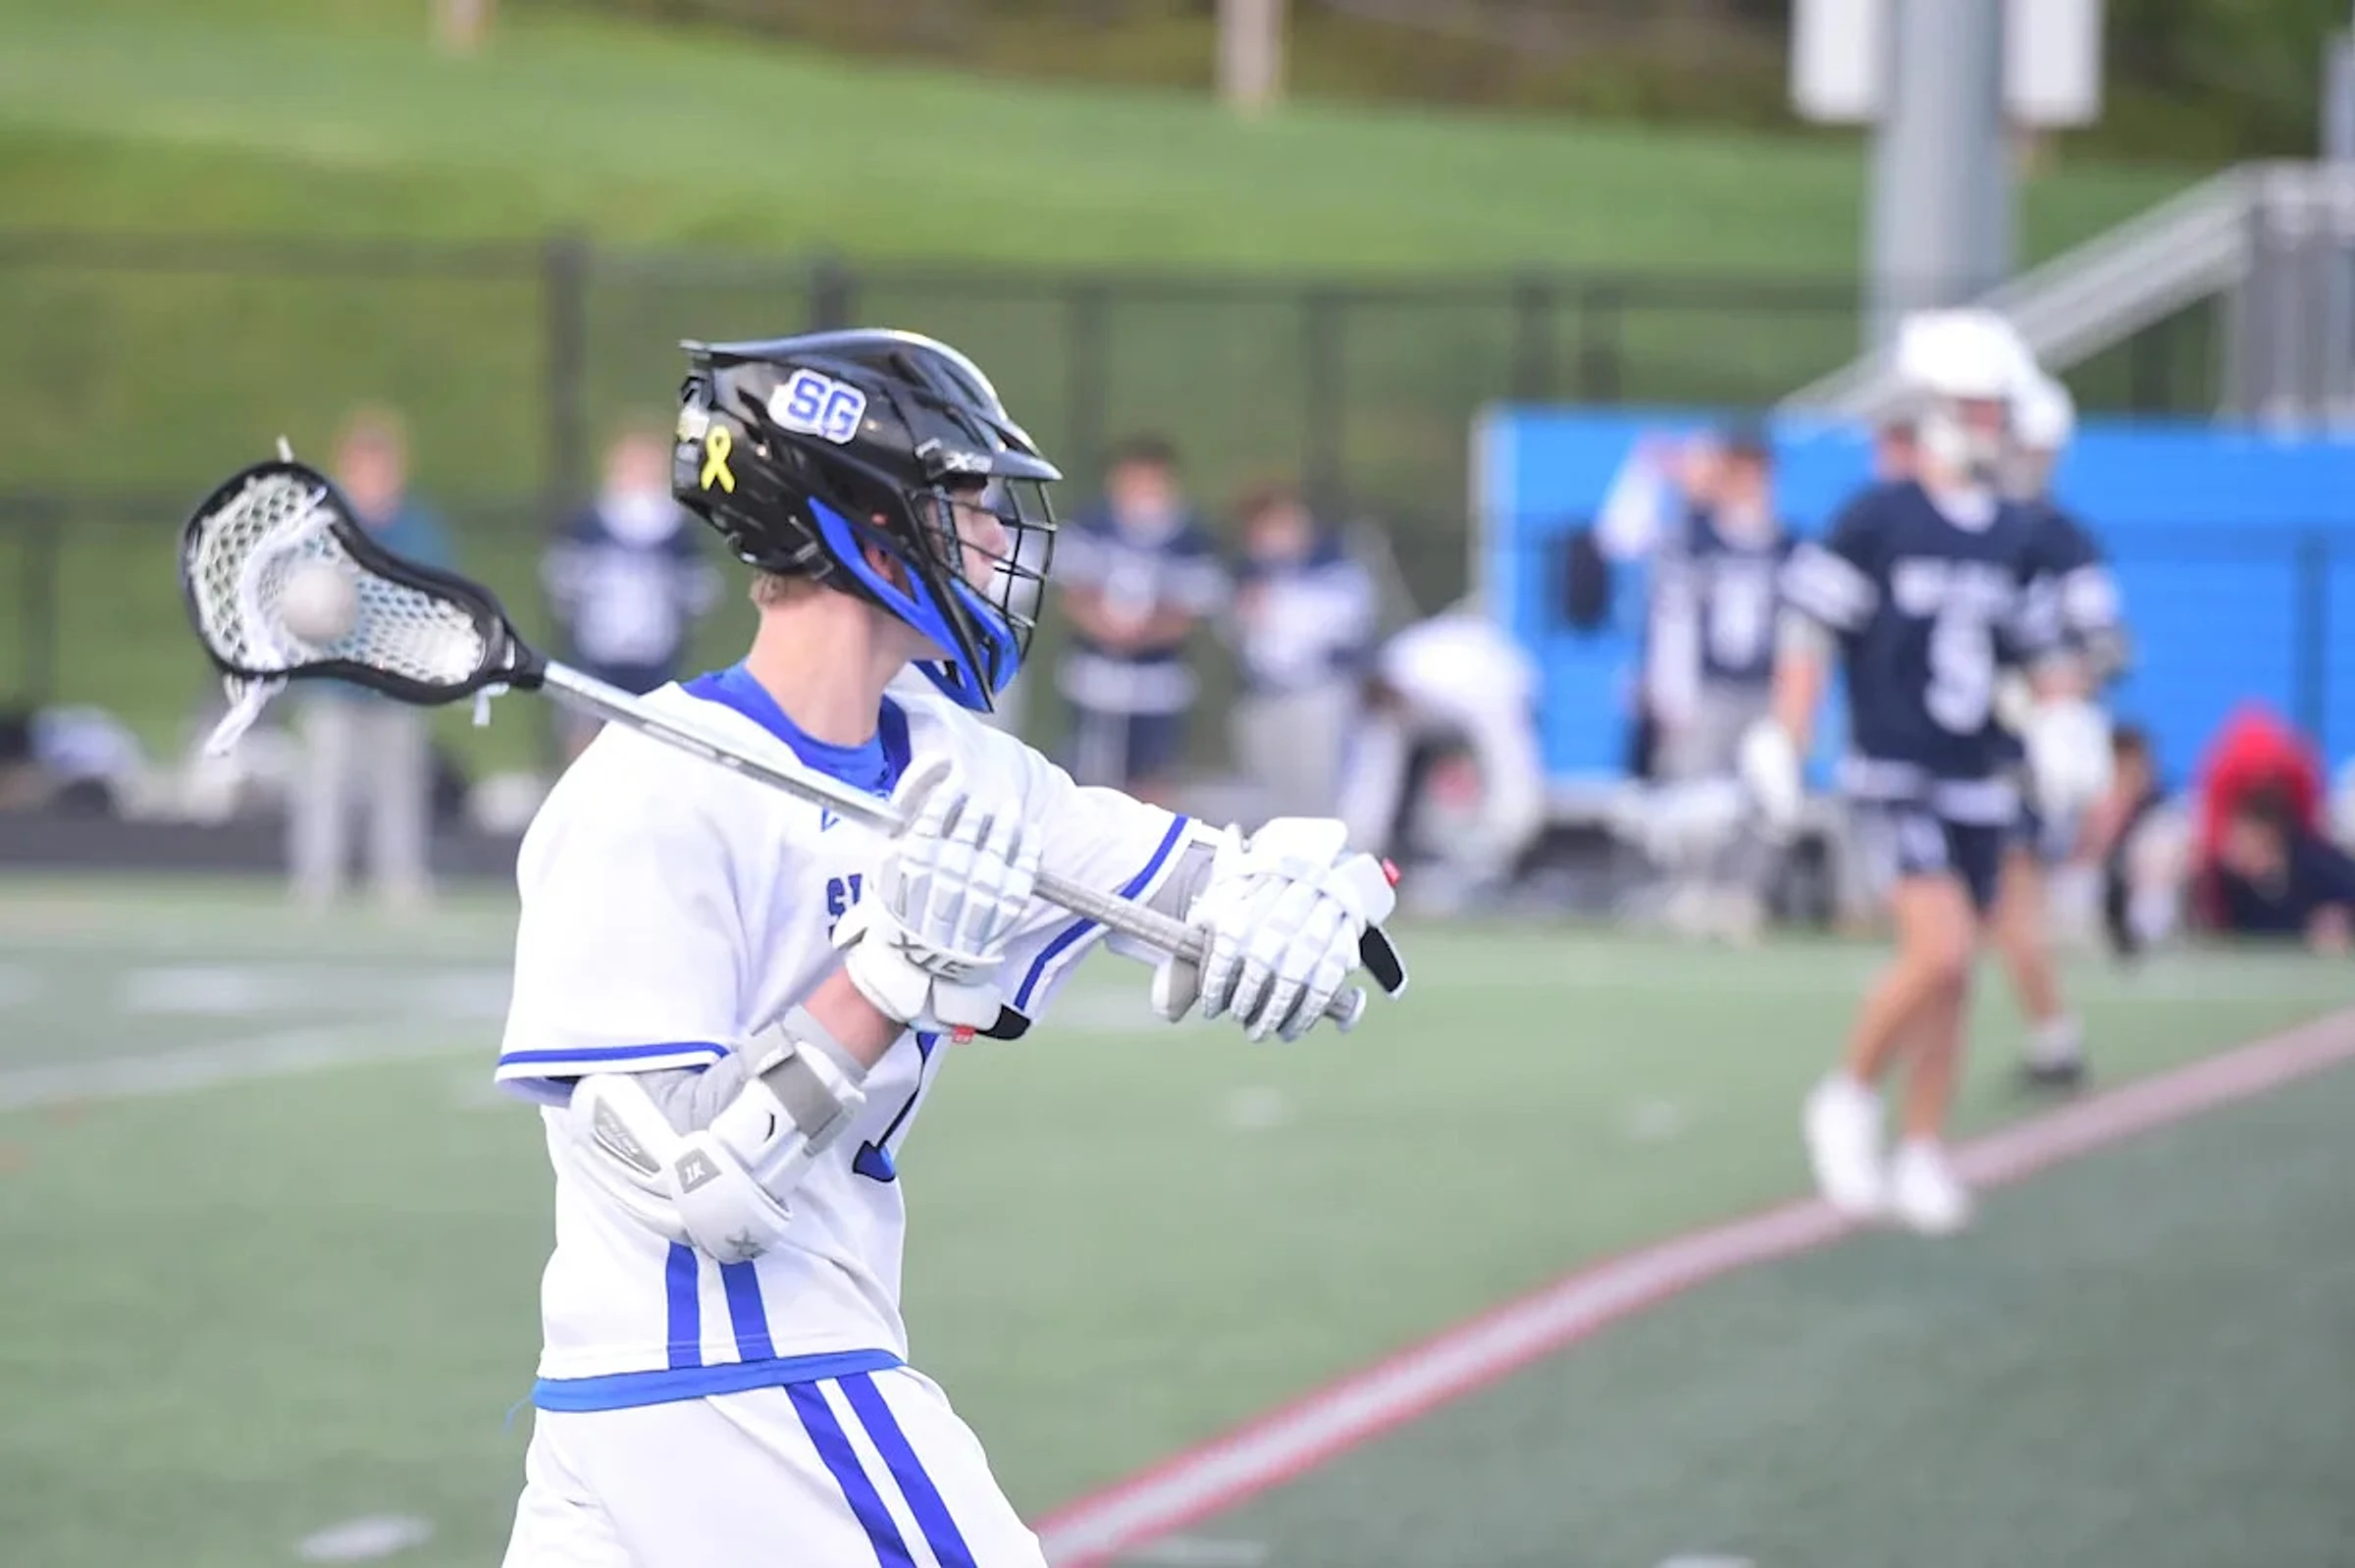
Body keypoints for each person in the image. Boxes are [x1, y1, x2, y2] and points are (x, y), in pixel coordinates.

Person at [493, 330, 1402, 1568]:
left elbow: (1179, 876)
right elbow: (689, 1182)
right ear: (866, 522)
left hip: (684, 1394)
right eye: (962, 498)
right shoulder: (650, 790)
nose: (990, 534)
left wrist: (1293, 891)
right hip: (733, 1370)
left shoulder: (953, 764)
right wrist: (882, 976)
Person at [1743, 309, 2108, 1235]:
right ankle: (1847, 1093)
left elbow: (2044, 654)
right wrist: (1786, 734)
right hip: (1895, 768)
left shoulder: (2016, 532)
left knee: (1957, 976)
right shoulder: (1881, 517)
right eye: (1976, 408)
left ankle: (1921, 1148)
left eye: (1995, 409)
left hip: (1979, 776)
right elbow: (1810, 631)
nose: (1991, 426)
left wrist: (2065, 719)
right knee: (1938, 949)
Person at [1987, 366, 2127, 1090]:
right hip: (1964, 734)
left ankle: (2054, 1034)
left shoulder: (2060, 539)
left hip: (2021, 739)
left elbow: (2108, 645)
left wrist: (2047, 689)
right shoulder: (1973, 522)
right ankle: (2050, 1032)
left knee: (2007, 893)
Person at [287, 405, 453, 911]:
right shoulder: (322, 525)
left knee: (398, 783)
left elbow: (433, 593)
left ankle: (399, 876)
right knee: (325, 781)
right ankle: (317, 877)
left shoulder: (416, 527)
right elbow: (300, 596)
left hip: (397, 679)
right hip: (334, 677)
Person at [1335, 598, 1545, 915]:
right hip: (1440, 691)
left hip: (1497, 679)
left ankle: (1497, 861)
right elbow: (1372, 781)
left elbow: (1511, 764)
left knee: (1505, 795)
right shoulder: (1385, 692)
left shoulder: (1476, 685)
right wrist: (1355, 852)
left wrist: (1507, 835)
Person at [1051, 435, 1228, 802]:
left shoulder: (1192, 537)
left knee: (1150, 776)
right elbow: (1072, 593)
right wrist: (1103, 626)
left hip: (1156, 681)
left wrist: (1142, 633)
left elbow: (1191, 609)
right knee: (1086, 776)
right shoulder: (1091, 524)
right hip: (1095, 675)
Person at [544, 421, 722, 759]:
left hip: (657, 651)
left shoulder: (678, 530)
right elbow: (563, 581)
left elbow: (699, 591)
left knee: (653, 734)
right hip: (597, 647)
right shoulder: (588, 521)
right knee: (584, 726)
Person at [1228, 479, 1378, 820]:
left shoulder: (1335, 571)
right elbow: (1240, 635)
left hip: (1318, 694)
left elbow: (1339, 629)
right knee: (1271, 795)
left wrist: (1277, 608)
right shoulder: (1249, 576)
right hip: (1263, 696)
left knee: (1317, 794)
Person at [2208, 782, 2355, 952]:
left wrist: (2343, 917)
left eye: (2243, 839)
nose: (2233, 847)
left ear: (2268, 835)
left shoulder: (2319, 863)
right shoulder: (2230, 885)